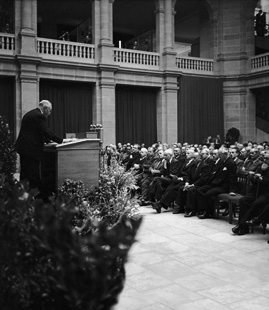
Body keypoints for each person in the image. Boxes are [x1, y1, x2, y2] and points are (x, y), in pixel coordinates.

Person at [14, 100, 63, 195]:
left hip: (25, 148)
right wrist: (61, 140)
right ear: (46, 109)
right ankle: (34, 196)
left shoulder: (31, 113)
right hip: (30, 150)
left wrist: (48, 141)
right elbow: (45, 131)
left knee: (25, 174)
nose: (50, 113)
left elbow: (37, 131)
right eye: (50, 111)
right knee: (31, 174)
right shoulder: (38, 116)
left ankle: (23, 194)